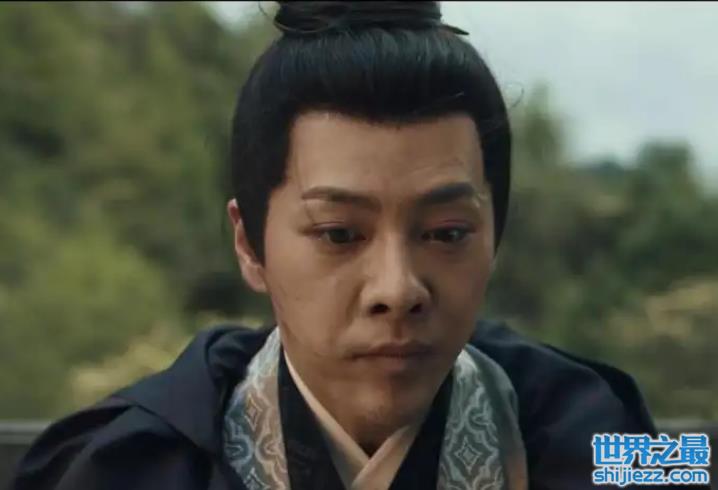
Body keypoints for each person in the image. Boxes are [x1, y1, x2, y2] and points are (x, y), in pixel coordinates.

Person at [12, 2, 667, 489]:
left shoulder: (607, 428)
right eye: (339, 234)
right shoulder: (120, 461)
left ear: (495, 233)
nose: (397, 289)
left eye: (446, 234)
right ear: (249, 244)